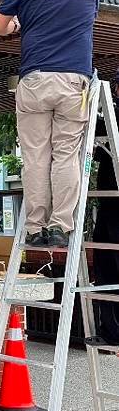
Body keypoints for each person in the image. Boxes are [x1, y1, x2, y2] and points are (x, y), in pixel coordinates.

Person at [0, 0, 99, 247]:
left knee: (36, 156)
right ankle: (62, 226)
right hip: (75, 81)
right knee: (66, 155)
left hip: (36, 78)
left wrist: (17, 24)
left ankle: (35, 228)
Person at [90, 70, 119, 345]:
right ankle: (110, 331)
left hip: (113, 203)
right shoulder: (110, 118)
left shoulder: (113, 118)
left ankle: (113, 332)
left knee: (110, 267)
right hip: (108, 201)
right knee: (106, 267)